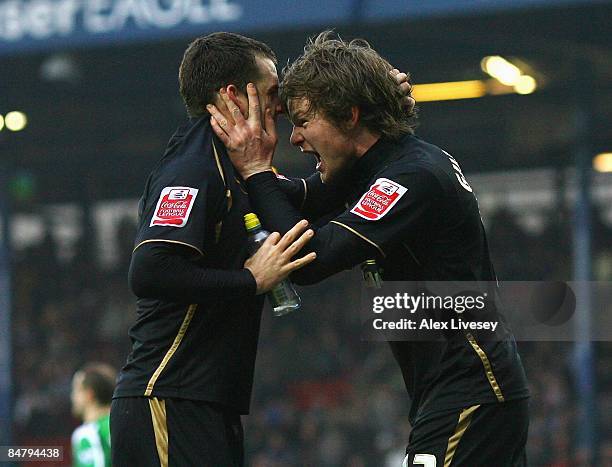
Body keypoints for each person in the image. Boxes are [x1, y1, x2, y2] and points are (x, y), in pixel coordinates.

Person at [209, 31, 530, 466]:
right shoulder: (374, 168)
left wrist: (258, 169)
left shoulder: (411, 176)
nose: (296, 139)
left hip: (472, 388)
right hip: (454, 390)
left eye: (303, 122)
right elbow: (295, 199)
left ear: (350, 114)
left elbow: (311, 259)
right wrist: (249, 167)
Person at [110, 32, 318, 467]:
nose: (279, 105)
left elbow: (312, 195)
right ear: (233, 96)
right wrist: (251, 280)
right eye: (271, 92)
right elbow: (149, 271)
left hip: (204, 401)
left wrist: (375, 115)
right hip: (166, 395)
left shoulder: (240, 165)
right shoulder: (193, 167)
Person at [71, 363, 115, 467]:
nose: (73, 397)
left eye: (76, 390)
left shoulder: (87, 434)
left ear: (89, 394)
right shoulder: (124, 424)